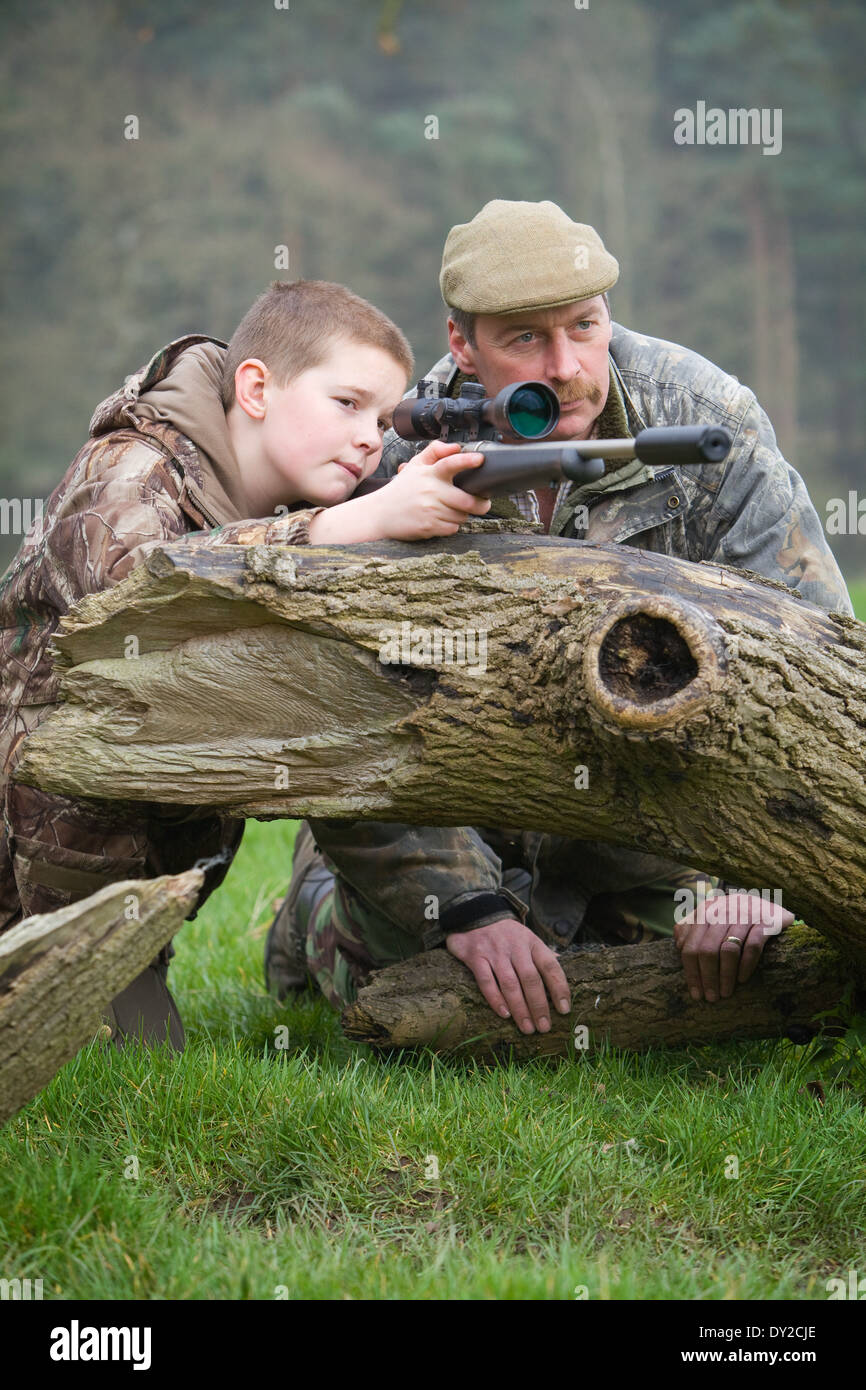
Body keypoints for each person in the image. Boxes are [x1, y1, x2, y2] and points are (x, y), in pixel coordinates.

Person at [265, 200, 853, 1032]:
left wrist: (753, 882)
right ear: (463, 344)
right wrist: (463, 904)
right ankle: (316, 914)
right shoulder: (392, 455)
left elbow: (819, 667)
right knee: (415, 990)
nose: (568, 365)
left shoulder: (706, 423)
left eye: (585, 326)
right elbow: (340, 708)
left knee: (739, 966)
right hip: (454, 813)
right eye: (525, 340)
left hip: (641, 825)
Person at [0, 279, 492, 1049]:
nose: (370, 438)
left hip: (112, 899)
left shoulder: (280, 511)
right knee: (116, 1064)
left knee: (140, 1048)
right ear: (256, 389)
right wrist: (341, 527)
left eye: (383, 416)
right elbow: (130, 597)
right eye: (346, 404)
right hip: (30, 891)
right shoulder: (131, 467)